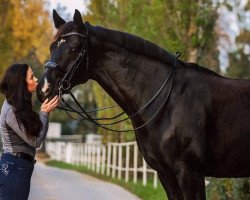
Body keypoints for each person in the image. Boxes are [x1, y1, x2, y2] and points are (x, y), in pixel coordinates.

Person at [0, 63, 59, 200]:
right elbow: (35, 141)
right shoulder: (10, 111)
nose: (36, 79)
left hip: (19, 166)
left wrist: (45, 112)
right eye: (32, 77)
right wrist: (44, 113)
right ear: (21, 83)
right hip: (15, 167)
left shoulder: (19, 106)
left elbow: (35, 130)